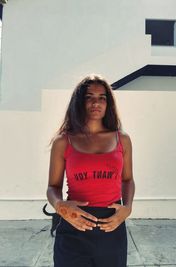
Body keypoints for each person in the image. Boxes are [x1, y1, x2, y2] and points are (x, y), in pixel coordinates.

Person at [46, 74, 135, 267]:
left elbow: (127, 180)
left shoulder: (122, 139)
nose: (96, 102)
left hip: (112, 225)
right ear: (79, 102)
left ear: (108, 103)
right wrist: (60, 205)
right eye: (89, 97)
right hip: (74, 223)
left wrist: (127, 209)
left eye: (102, 97)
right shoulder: (63, 141)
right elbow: (53, 187)